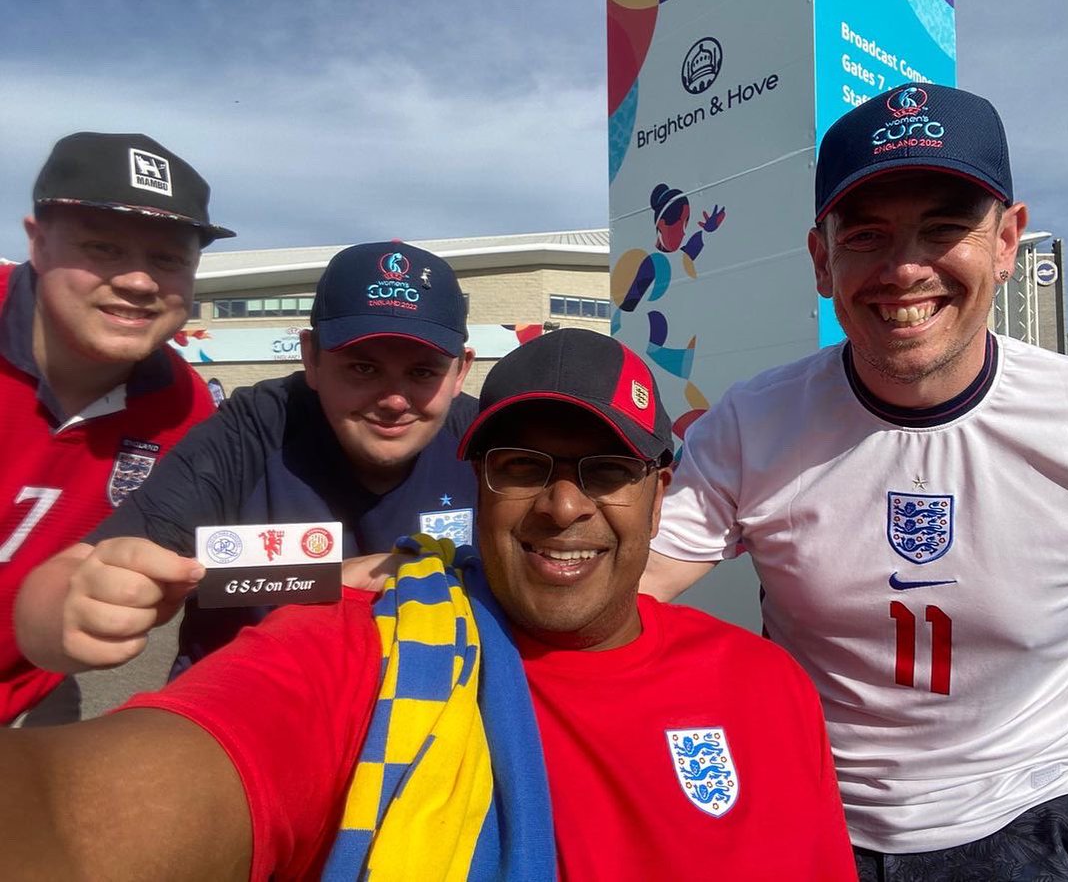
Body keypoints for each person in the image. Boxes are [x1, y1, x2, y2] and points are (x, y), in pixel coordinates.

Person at [0, 329, 855, 880]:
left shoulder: (765, 683)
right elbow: (75, 819)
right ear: (477, 480)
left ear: (659, 490)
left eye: (605, 471)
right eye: (522, 466)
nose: (563, 506)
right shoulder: (374, 652)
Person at [641, 83, 1068, 879]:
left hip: (1026, 817)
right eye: (866, 235)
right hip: (807, 814)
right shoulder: (754, 421)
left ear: (1008, 242)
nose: (905, 269)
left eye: (944, 228)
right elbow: (635, 579)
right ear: (821, 261)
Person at [15, 240, 479, 679]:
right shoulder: (254, 429)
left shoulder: (489, 442)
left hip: (423, 727)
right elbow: (66, 584)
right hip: (236, 719)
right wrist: (70, 613)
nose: (395, 400)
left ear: (461, 371)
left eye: (422, 372)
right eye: (363, 367)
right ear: (311, 359)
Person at [0, 131, 233, 723]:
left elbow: (229, 556)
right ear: (38, 243)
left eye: (168, 259)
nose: (138, 281)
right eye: (103, 248)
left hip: (30, 695)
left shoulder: (186, 410)